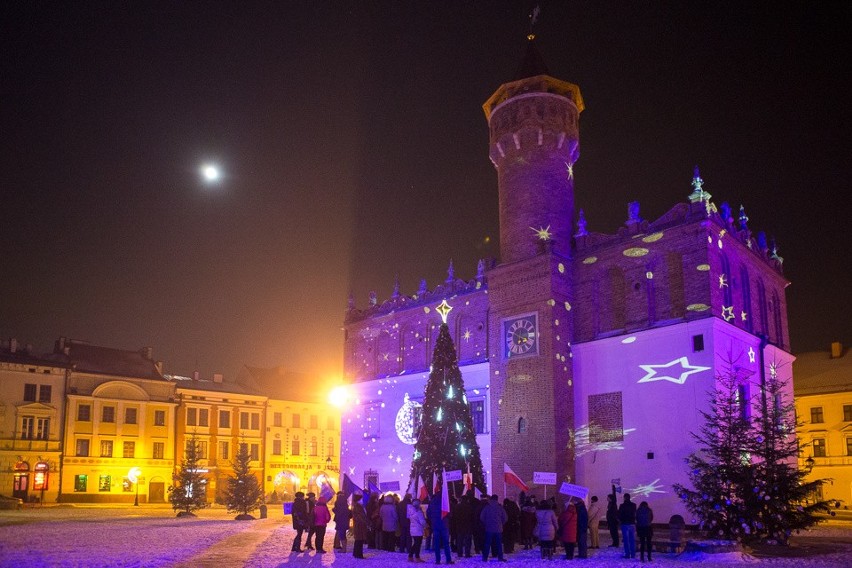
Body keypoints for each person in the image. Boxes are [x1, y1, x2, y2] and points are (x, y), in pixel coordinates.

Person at [426, 492, 454, 565]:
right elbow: (450, 514)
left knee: (436, 543)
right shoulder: (445, 502)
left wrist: (432, 520)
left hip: (435, 525)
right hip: (444, 524)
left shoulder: (432, 502)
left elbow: (428, 513)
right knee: (446, 543)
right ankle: (448, 559)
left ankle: (437, 560)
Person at [480, 494, 508, 562]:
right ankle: (500, 557)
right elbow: (505, 518)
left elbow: (482, 517)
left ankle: (485, 558)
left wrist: (486, 523)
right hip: (498, 528)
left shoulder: (487, 507)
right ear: (497, 499)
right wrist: (501, 523)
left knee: (487, 544)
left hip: (489, 528)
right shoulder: (500, 508)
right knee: (499, 544)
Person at [454, 493, 474, 558]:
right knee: (468, 541)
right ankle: (467, 553)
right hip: (468, 526)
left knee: (460, 541)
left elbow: (455, 516)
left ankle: (459, 553)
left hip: (459, 526)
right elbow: (472, 517)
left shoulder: (457, 506)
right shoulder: (470, 507)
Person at [408, 497, 427, 563]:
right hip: (418, 530)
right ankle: (417, 557)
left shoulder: (411, 511)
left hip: (412, 529)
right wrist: (426, 524)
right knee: (418, 544)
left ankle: (410, 556)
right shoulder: (419, 512)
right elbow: (422, 522)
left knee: (415, 544)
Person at [618, 493, 637, 559]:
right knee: (632, 540)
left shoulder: (622, 505)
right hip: (632, 523)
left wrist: (620, 521)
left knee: (626, 540)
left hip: (625, 524)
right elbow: (634, 514)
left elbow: (619, 514)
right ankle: (633, 554)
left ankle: (627, 554)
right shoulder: (634, 505)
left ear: (624, 498)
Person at [352, 494, 369, 559]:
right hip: (360, 526)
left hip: (358, 525)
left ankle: (356, 553)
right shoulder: (358, 506)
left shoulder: (357, 506)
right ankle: (359, 554)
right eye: (361, 499)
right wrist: (366, 522)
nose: (362, 500)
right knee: (359, 540)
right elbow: (360, 516)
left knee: (358, 540)